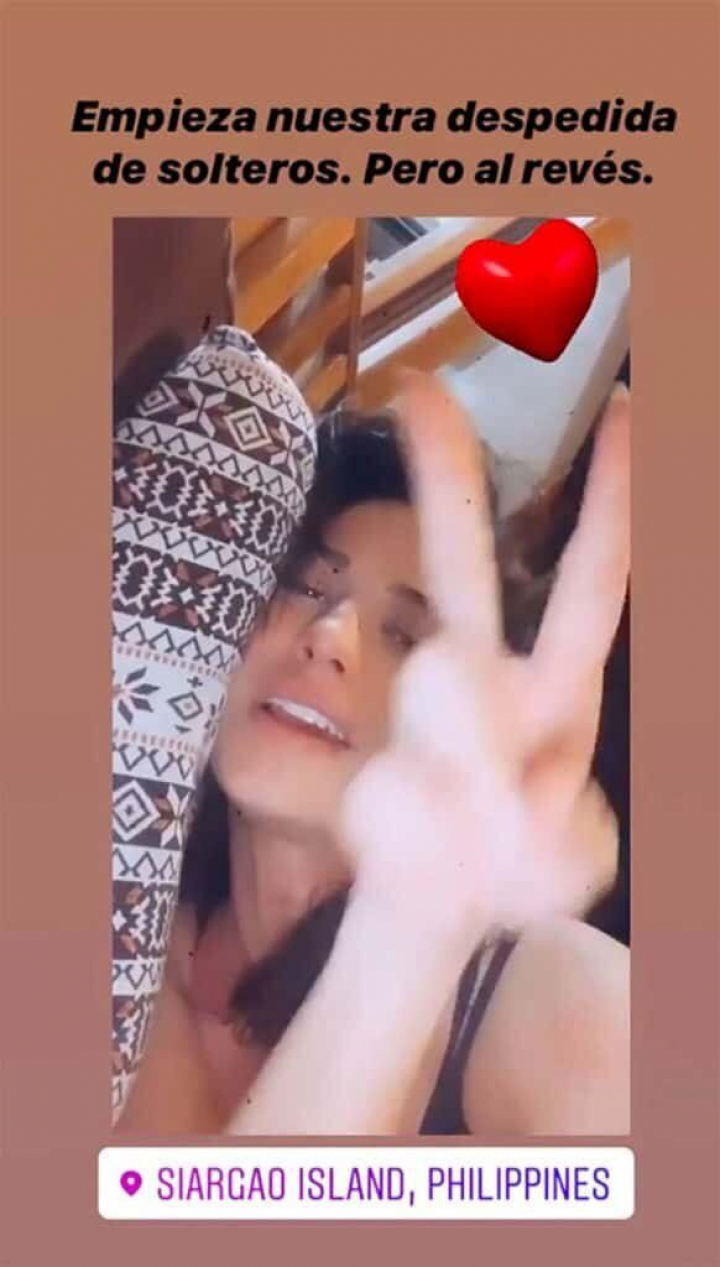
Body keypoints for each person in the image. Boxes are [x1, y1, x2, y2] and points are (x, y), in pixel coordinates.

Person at [117, 371, 630, 1136]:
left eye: (403, 635)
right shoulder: (123, 938)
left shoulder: (539, 994)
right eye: (304, 586)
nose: (331, 637)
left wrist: (416, 927)